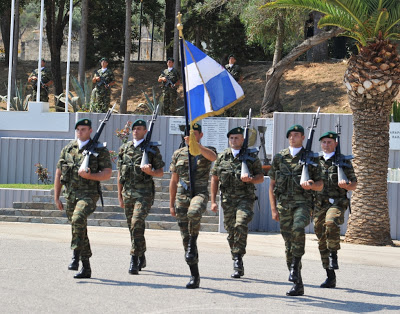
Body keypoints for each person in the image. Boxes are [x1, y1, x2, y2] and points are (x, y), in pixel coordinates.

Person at [268, 125, 323, 296]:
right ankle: (297, 281)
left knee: (298, 229)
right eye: (290, 135)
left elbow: (320, 184)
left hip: (303, 204)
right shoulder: (279, 158)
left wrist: (312, 185)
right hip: (284, 206)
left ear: (303, 137)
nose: (293, 137)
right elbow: (272, 184)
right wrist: (273, 209)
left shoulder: (311, 158)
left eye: (296, 135)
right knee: (288, 244)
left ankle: (295, 264)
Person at [54, 118, 112, 278]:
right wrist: (57, 196)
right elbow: (59, 173)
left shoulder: (100, 150)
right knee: (80, 228)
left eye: (84, 129)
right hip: (71, 196)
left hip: (88, 195)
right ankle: (86, 267)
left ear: (90, 131)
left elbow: (107, 173)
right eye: (78, 129)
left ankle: (75, 255)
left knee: (78, 219)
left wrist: (90, 175)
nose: (80, 132)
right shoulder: (68, 149)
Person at [210, 127, 264, 279]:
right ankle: (235, 256)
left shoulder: (251, 156)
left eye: (237, 138)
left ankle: (238, 259)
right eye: (231, 138)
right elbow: (215, 179)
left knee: (240, 224)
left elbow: (260, 177)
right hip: (227, 201)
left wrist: (251, 180)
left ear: (243, 140)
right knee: (231, 231)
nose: (234, 141)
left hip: (245, 199)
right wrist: (213, 201)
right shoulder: (222, 157)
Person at [169, 123, 217, 289]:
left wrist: (197, 146)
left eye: (195, 134)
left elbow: (213, 158)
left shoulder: (206, 150)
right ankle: (194, 275)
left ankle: (194, 241)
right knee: (184, 237)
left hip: (200, 193)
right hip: (182, 195)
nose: (193, 137)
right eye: (190, 135)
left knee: (194, 211)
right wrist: (171, 204)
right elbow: (174, 181)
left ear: (200, 135)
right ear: (185, 137)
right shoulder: (178, 154)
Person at [117, 119, 165, 275]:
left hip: (144, 194)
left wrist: (150, 172)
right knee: (133, 227)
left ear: (145, 131)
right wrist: (119, 195)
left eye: (139, 129)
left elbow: (160, 172)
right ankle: (141, 252)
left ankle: (134, 259)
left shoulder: (151, 149)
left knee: (137, 222)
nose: (136, 131)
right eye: (134, 129)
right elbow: (119, 174)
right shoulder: (124, 148)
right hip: (128, 193)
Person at [314, 131, 357, 288]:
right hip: (319, 204)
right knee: (321, 239)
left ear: (336, 144)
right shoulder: (315, 161)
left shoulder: (344, 162)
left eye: (329, 142)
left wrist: (347, 185)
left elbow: (354, 184)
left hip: (337, 202)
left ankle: (333, 254)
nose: (326, 145)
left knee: (331, 223)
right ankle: (330, 275)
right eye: (324, 142)